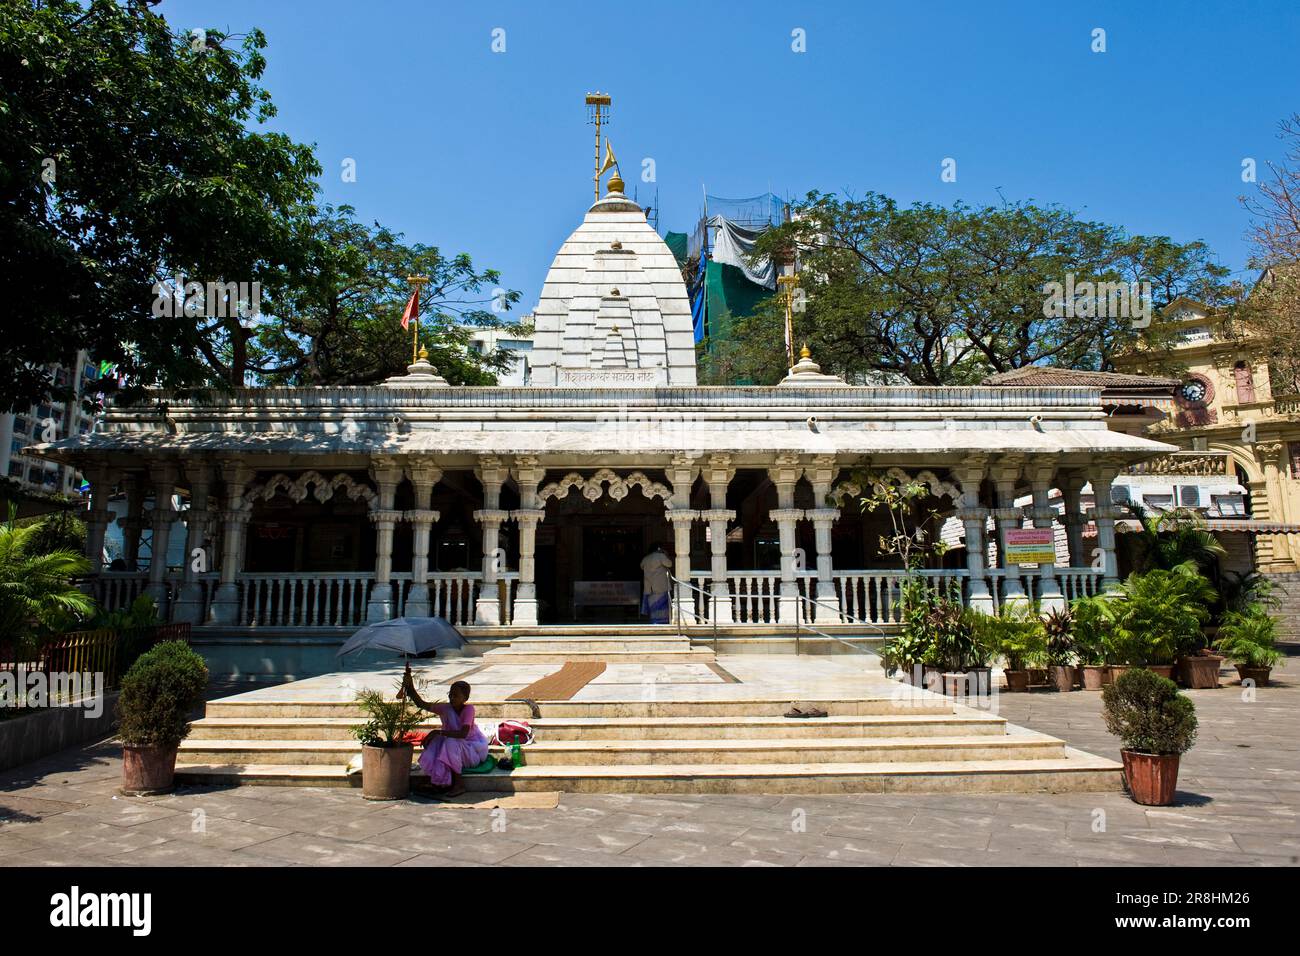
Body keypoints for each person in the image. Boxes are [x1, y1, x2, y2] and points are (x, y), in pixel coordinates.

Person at [416, 680, 488, 797]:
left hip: (472, 752)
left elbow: (463, 734)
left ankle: (459, 784)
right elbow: (421, 704)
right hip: (455, 751)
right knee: (437, 741)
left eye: (456, 695)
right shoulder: (446, 708)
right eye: (450, 694)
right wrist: (410, 689)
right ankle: (438, 781)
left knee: (450, 742)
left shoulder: (469, 709)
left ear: (465, 698)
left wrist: (437, 732)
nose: (452, 698)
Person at [640, 543, 673, 624]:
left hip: (650, 588)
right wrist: (665, 554)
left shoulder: (646, 558)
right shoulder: (661, 556)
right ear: (659, 549)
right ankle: (662, 624)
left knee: (653, 608)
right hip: (661, 587)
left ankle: (654, 622)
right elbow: (670, 564)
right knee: (662, 610)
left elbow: (641, 566)